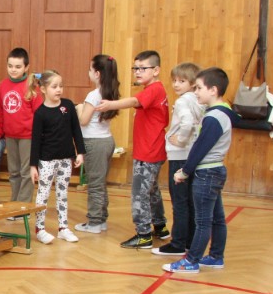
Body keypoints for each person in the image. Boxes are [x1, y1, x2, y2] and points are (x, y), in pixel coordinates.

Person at [163, 67, 237, 274]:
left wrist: (184, 171)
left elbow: (200, 148)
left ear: (213, 90)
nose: (195, 92)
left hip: (207, 173)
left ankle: (191, 260)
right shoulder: (221, 111)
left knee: (203, 220)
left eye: (199, 88)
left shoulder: (214, 117)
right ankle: (215, 256)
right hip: (215, 170)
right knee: (217, 218)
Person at [95, 50, 170, 249]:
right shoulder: (154, 89)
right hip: (152, 151)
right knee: (151, 191)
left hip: (149, 152)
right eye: (135, 68)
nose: (137, 72)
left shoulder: (153, 90)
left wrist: (111, 104)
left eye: (142, 68)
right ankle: (160, 226)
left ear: (156, 70)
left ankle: (143, 235)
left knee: (139, 194)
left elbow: (135, 101)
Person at [154, 62, 204, 256]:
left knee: (179, 201)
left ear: (192, 83)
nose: (176, 84)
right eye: (174, 80)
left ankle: (177, 244)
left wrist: (180, 140)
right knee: (189, 200)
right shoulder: (198, 100)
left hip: (180, 156)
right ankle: (189, 241)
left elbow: (187, 123)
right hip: (192, 155)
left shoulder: (183, 101)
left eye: (182, 81)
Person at [30, 70, 85, 244]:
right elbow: (35, 141)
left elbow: (76, 130)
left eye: (61, 86)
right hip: (47, 161)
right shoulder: (40, 113)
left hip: (65, 159)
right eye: (54, 86)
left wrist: (80, 152)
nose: (59, 89)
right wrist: (33, 165)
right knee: (43, 194)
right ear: (43, 89)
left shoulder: (68, 106)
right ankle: (40, 228)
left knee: (63, 194)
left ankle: (63, 228)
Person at [0, 47, 41, 203]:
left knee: (26, 172)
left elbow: (39, 114)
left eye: (18, 66)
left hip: (28, 137)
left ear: (26, 67)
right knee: (14, 172)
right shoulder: (3, 86)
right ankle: (15, 203)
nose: (13, 69)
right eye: (10, 66)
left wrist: (40, 136)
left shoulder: (32, 86)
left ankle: (23, 206)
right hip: (10, 136)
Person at [75, 54, 120, 234]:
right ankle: (101, 220)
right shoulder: (111, 92)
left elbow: (83, 120)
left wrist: (79, 108)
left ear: (97, 74)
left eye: (90, 69)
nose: (88, 72)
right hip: (107, 140)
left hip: (94, 142)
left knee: (94, 184)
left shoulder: (93, 95)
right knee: (100, 183)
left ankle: (94, 222)